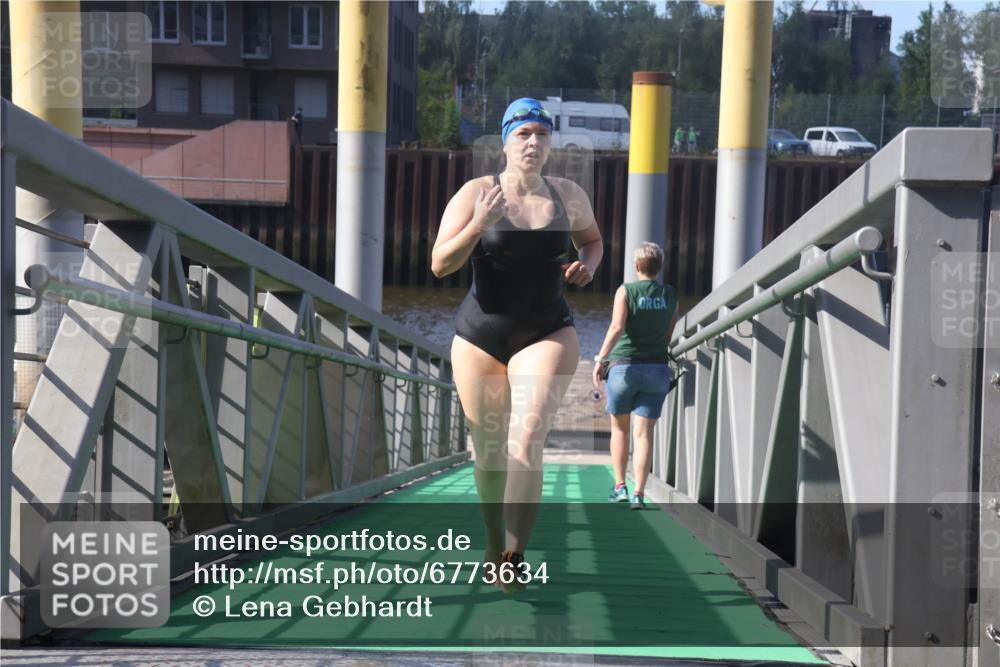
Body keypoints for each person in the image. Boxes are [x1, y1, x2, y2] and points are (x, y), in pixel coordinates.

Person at [431, 98, 603, 593]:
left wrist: (588, 264)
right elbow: (440, 265)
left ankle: (513, 555)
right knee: (488, 455)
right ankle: (491, 541)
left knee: (525, 442)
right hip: (480, 335)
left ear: (551, 144)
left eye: (542, 135)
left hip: (547, 329)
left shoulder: (568, 194)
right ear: (505, 141)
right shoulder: (476, 192)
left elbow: (592, 240)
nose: (533, 143)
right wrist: (478, 224)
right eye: (524, 133)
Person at [592, 242, 678, 510]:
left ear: (637, 266)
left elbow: (617, 326)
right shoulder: (669, 294)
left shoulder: (626, 290)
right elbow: (670, 329)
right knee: (644, 435)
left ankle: (620, 487)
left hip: (624, 368)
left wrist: (601, 358)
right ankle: (639, 493)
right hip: (656, 369)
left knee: (620, 429)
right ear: (659, 267)